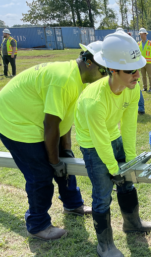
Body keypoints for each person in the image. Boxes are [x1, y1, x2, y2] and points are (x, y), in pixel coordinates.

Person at [0, 43, 107, 240]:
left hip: (36, 119)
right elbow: (50, 125)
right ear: (89, 62)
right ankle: (37, 224)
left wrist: (64, 150)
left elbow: (65, 116)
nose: (106, 76)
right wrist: (54, 161)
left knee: (65, 160)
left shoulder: (80, 78)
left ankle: (73, 204)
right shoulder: (64, 80)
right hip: (15, 121)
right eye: (104, 71)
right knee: (40, 173)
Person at [75, 31, 151, 257]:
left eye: (137, 69)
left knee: (127, 182)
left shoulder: (132, 89)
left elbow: (130, 126)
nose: (136, 75)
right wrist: (113, 168)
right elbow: (99, 140)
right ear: (113, 70)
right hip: (93, 143)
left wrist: (129, 163)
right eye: (130, 71)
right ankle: (105, 245)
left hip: (112, 135)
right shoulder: (94, 100)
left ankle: (132, 223)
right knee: (103, 193)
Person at [138, 27, 151, 92]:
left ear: (145, 34)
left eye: (142, 34)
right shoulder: (138, 44)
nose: (141, 36)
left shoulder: (150, 43)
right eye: (140, 34)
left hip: (148, 63)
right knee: (143, 76)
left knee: (150, 76)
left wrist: (150, 59)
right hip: (142, 63)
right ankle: (145, 87)